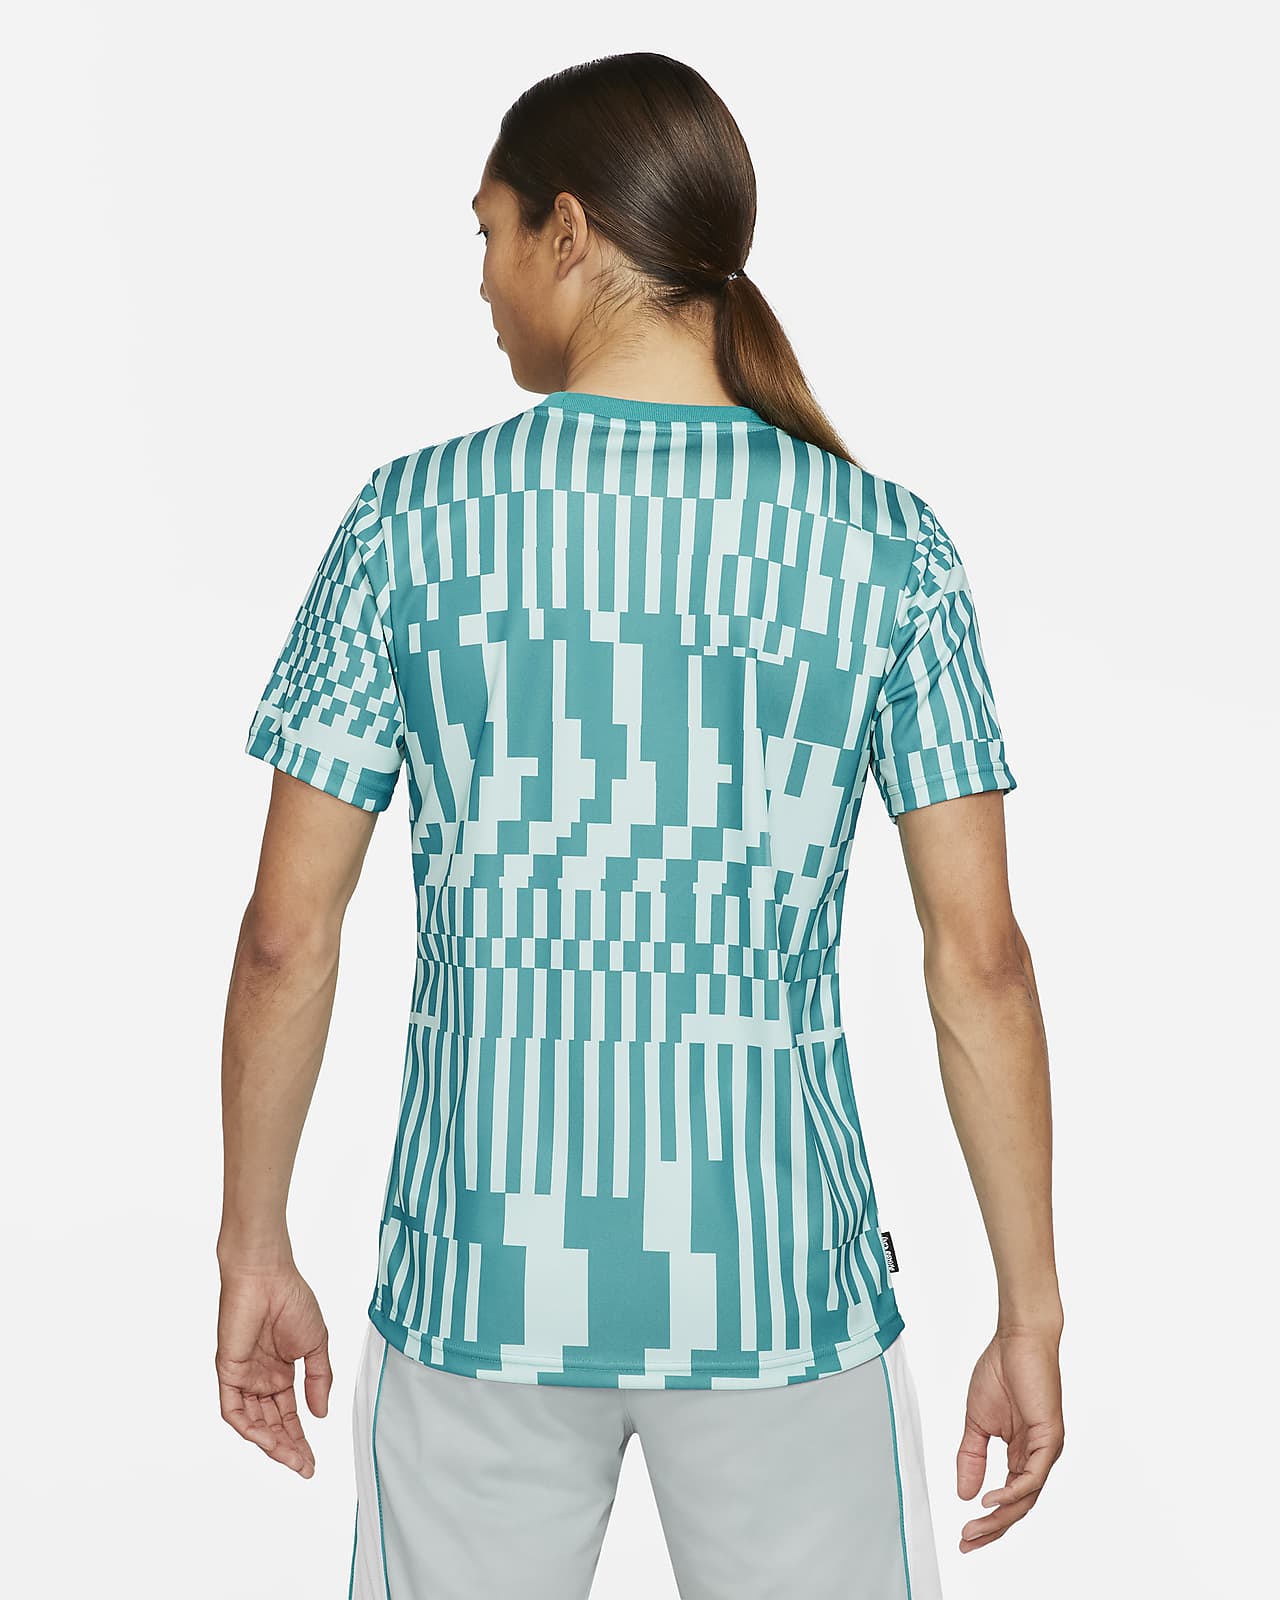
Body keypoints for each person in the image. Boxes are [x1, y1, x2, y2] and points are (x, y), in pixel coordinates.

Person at [216, 50, 1064, 1600]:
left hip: (479, 1278)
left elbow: (288, 938)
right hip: (778, 1285)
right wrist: (1031, 1310)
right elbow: (980, 964)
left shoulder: (409, 525)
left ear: (568, 228)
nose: (480, 280)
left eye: (488, 233)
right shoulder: (886, 548)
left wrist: (253, 1246)